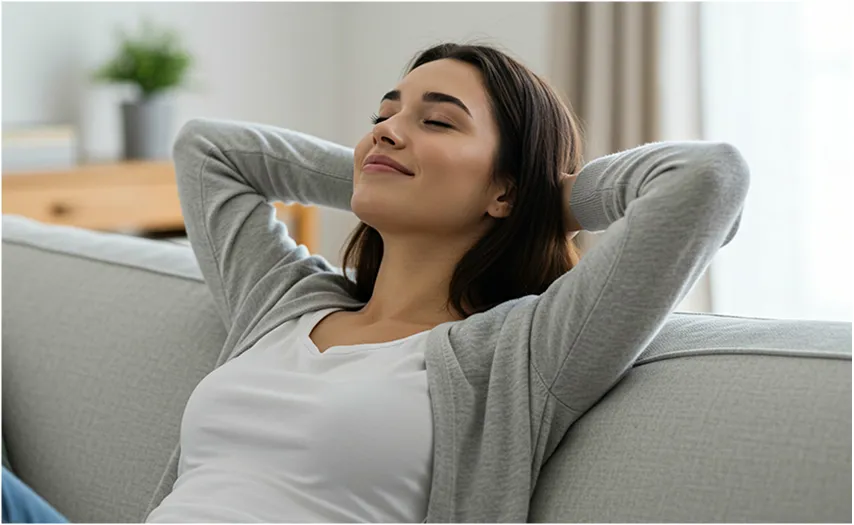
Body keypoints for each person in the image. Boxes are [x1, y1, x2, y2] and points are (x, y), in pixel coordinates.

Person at [3, 42, 750, 523]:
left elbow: (706, 179)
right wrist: (383, 166)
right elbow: (210, 151)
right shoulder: (285, 302)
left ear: (506, 190)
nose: (387, 130)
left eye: (440, 122)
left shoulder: (517, 354)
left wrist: (539, 195)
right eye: (383, 114)